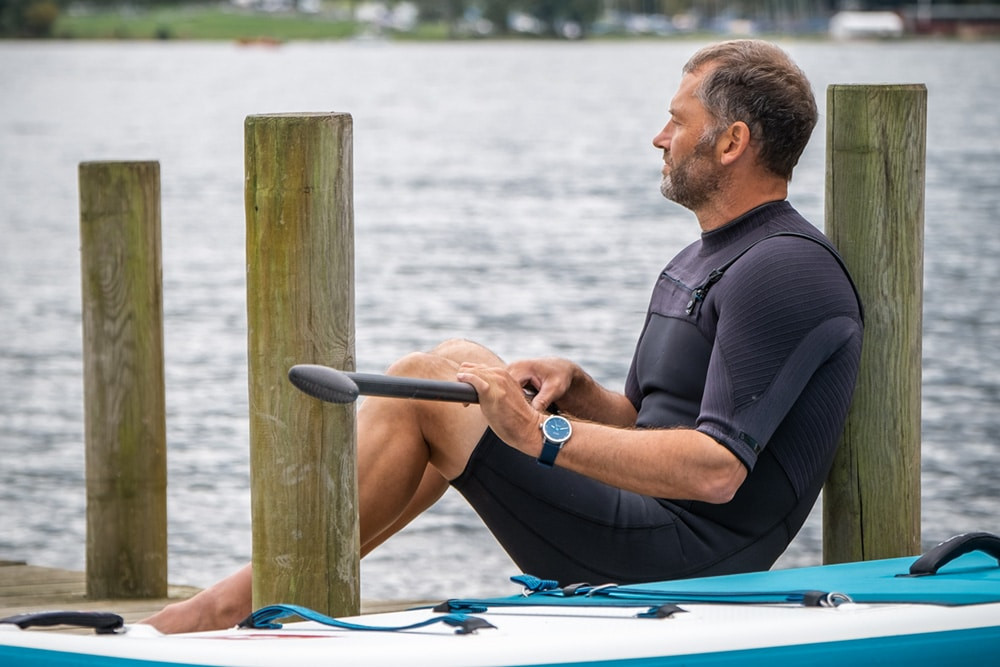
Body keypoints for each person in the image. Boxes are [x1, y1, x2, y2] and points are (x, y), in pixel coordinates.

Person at [143, 39, 863, 633]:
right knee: (456, 366)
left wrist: (542, 433)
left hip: (690, 561)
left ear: (733, 140)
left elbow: (715, 469)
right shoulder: (708, 255)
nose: (659, 136)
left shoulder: (785, 269)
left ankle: (238, 605)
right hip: (651, 520)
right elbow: (652, 425)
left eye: (678, 120)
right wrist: (579, 394)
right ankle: (276, 593)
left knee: (435, 395)